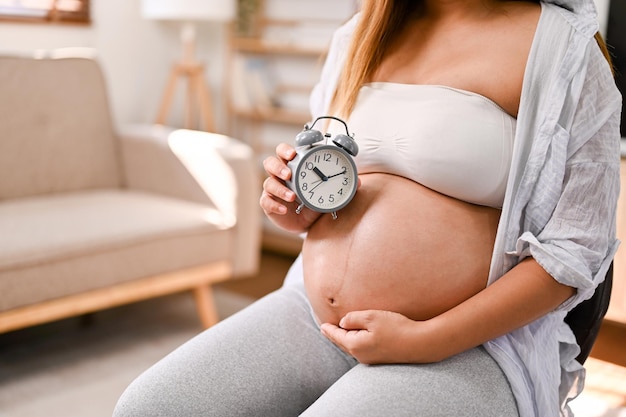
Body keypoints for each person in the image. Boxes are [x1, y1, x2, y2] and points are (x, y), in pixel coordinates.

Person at [113, 0, 622, 416]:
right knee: (149, 408)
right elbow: (334, 176)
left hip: (468, 344)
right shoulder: (363, 32)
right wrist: (293, 205)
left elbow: (573, 253)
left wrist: (426, 340)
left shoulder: (563, 48)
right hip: (314, 318)